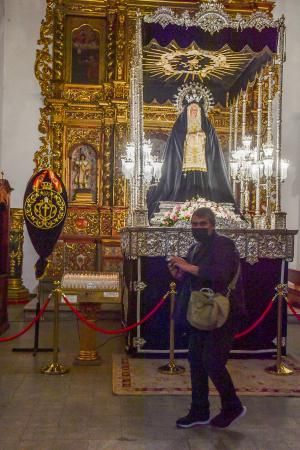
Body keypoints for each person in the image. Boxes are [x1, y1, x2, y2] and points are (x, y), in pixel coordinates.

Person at [168, 207, 246, 429]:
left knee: (213, 361)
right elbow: (195, 279)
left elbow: (219, 275)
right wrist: (180, 274)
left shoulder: (224, 245)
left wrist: (187, 266)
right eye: (194, 224)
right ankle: (199, 410)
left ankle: (233, 406)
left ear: (212, 225)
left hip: (222, 312)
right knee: (196, 361)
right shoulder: (195, 247)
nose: (198, 228)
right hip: (200, 311)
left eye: (202, 224)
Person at [147, 102, 235, 218]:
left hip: (203, 164)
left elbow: (212, 145)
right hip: (183, 166)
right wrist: (189, 136)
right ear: (187, 111)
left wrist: (202, 136)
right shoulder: (179, 126)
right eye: (191, 110)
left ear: (200, 112)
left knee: (205, 187)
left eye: (196, 110)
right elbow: (176, 142)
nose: (194, 112)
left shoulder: (207, 127)